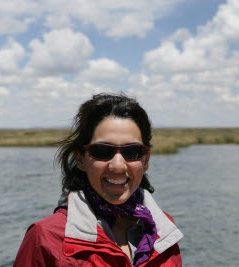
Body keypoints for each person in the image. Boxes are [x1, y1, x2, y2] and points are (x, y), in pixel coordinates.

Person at [13, 93, 183, 267]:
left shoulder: (164, 232)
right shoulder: (46, 237)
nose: (118, 166)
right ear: (80, 159)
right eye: (102, 151)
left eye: (133, 152)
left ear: (146, 160)